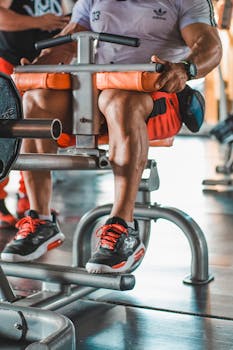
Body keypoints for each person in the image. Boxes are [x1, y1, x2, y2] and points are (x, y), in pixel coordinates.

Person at [1, 0, 222, 273]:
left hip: (158, 91)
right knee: (36, 101)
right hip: (99, 89)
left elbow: (208, 44)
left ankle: (123, 226)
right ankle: (41, 220)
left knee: (119, 100)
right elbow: (70, 40)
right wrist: (42, 63)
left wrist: (185, 68)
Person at [0, 0, 71, 228]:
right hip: (8, 62)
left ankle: (29, 198)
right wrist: (39, 21)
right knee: (3, 135)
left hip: (41, 67)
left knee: (35, 133)